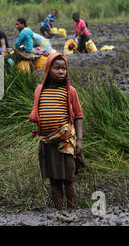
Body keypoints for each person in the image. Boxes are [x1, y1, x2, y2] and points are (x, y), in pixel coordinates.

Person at [29, 53, 84, 221]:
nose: (61, 72)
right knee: (54, 179)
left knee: (68, 178)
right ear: (48, 70)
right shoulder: (40, 91)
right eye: (57, 68)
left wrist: (80, 141)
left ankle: (72, 211)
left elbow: (78, 116)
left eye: (64, 68)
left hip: (65, 141)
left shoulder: (70, 91)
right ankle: (59, 213)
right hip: (46, 142)